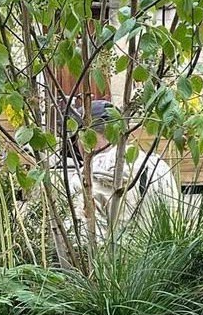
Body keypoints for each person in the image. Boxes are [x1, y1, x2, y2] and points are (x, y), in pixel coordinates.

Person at [64, 100, 179, 237]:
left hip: (112, 257)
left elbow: (78, 240)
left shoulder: (85, 179)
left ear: (83, 137)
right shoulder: (158, 166)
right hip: (165, 255)